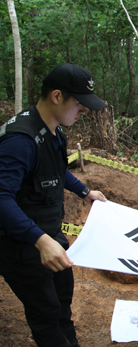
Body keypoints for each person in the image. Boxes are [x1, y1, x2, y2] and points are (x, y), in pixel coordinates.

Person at [0, 63, 108, 347]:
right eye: (79, 104)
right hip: (22, 245)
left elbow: (56, 170)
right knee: (46, 312)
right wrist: (39, 240)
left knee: (62, 300)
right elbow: (1, 198)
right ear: (57, 96)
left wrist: (85, 191)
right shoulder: (20, 141)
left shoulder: (55, 131)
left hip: (50, 235)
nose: (84, 111)